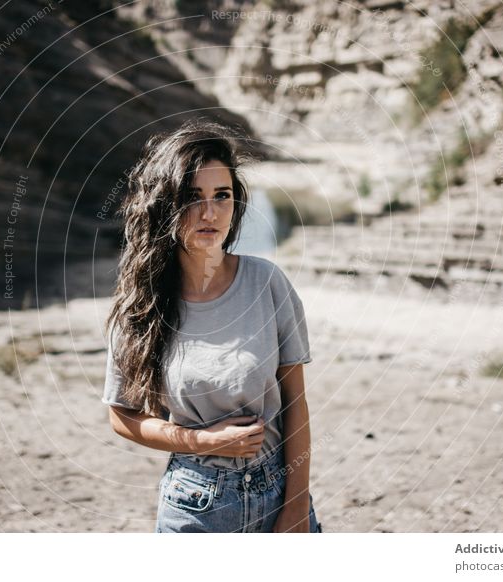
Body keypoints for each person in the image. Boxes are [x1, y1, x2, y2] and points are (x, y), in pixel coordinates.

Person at [101, 118, 322, 533]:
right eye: (192, 197)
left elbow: (296, 403)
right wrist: (202, 441)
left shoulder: (267, 283)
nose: (209, 212)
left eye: (222, 195)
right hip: (195, 505)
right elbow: (122, 416)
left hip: (279, 492)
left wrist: (295, 508)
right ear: (165, 204)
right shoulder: (140, 305)